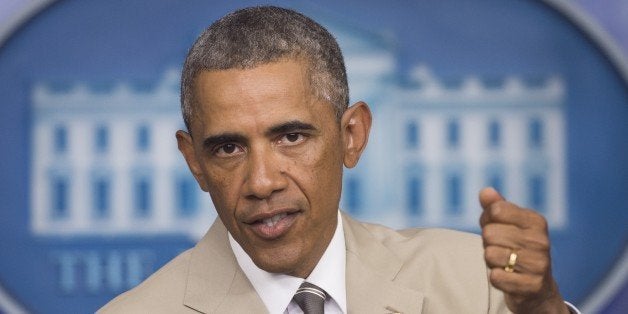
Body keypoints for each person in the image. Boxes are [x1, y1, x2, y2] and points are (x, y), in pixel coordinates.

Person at [99, 6, 578, 313]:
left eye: (290, 136)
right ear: (194, 163)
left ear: (352, 135)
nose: (262, 182)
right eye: (228, 148)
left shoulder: (478, 283)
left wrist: (544, 309)